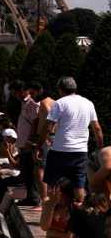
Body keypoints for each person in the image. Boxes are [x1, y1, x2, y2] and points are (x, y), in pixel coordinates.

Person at [39, 77, 103, 214]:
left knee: (53, 184)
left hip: (59, 150)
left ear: (60, 89)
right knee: (79, 184)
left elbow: (47, 125)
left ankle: (52, 215)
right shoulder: (88, 103)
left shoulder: (60, 103)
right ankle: (80, 216)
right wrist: (100, 148)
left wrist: (40, 144)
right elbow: (97, 128)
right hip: (80, 151)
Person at [13, 80, 42, 206]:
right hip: (23, 143)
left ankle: (33, 199)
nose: (15, 95)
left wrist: (30, 141)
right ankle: (27, 198)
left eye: (16, 92)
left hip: (28, 145)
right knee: (25, 172)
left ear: (23, 90)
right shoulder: (24, 103)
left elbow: (36, 122)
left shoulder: (32, 104)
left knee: (29, 172)